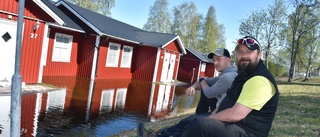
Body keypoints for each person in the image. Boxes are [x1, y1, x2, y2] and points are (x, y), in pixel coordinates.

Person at [138, 36, 279, 137]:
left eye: (249, 52)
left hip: (248, 132)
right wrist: (213, 113)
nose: (244, 56)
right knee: (192, 119)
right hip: (236, 125)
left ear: (259, 55)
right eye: (241, 52)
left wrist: (211, 118)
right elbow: (227, 99)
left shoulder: (260, 79)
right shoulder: (243, 73)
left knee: (201, 125)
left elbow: (237, 114)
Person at [185, 48, 237, 114]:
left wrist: (202, 80)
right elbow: (208, 81)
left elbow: (208, 93)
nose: (215, 63)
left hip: (225, 112)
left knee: (206, 88)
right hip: (223, 106)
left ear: (228, 59)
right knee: (207, 85)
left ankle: (200, 115)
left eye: (218, 59)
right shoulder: (227, 73)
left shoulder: (228, 76)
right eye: (214, 60)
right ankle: (200, 115)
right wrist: (193, 87)